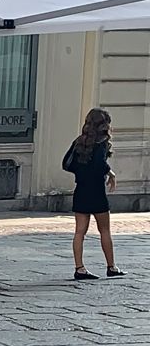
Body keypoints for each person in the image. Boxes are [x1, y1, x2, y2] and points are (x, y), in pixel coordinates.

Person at [63, 108, 123, 282]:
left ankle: (79, 268)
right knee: (104, 230)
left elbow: (67, 163)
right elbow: (99, 164)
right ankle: (111, 266)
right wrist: (109, 173)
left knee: (79, 232)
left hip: (81, 189)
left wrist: (82, 172)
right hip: (96, 191)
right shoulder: (102, 142)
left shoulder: (79, 141)